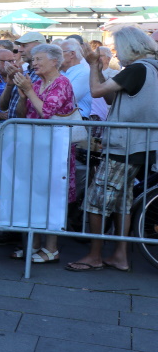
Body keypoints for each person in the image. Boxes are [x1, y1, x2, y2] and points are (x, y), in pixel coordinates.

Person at [67, 27, 158, 273]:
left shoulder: (138, 69)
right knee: (122, 202)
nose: (117, 53)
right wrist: (97, 68)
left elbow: (97, 92)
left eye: (118, 48)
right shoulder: (150, 68)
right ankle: (120, 255)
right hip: (138, 145)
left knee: (96, 201)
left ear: (130, 47)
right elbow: (110, 98)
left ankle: (95, 256)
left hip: (125, 145)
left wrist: (92, 65)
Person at [9, 44, 75, 265]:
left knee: (52, 197)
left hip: (55, 151)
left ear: (54, 61)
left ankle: (52, 249)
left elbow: (47, 113)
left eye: (38, 59)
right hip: (35, 149)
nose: (33, 63)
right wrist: (22, 96)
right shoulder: (36, 84)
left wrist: (28, 91)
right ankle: (34, 244)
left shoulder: (62, 83)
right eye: (33, 59)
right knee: (34, 196)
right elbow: (22, 114)